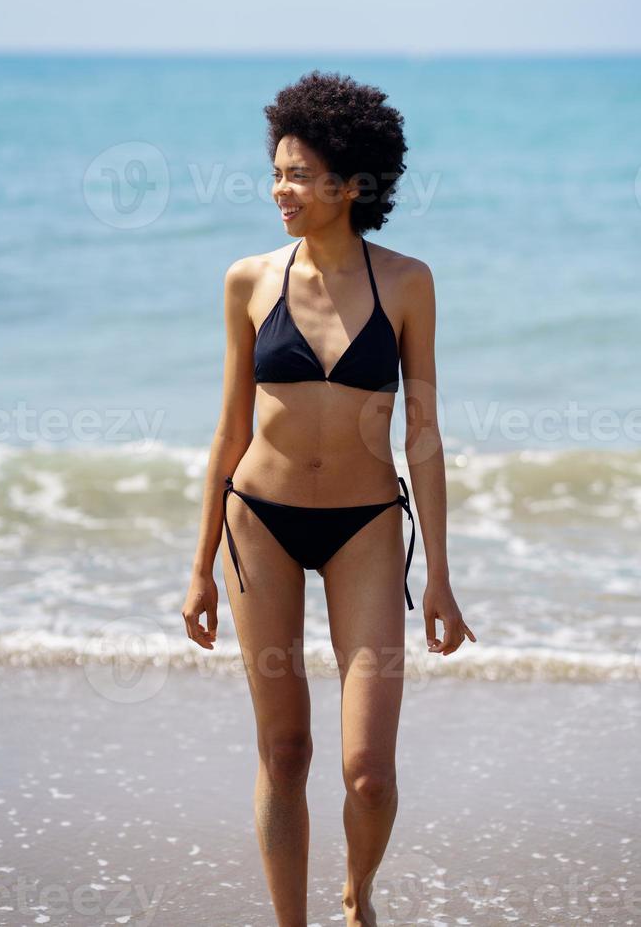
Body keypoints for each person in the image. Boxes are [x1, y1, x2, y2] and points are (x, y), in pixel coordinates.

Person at [182, 69, 476, 927]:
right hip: (259, 523)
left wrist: (445, 579)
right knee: (285, 749)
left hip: (368, 528)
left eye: (300, 174)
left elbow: (423, 434)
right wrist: (198, 566)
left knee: (367, 771)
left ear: (352, 183)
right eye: (276, 171)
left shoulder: (408, 283)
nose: (281, 189)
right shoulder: (249, 281)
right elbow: (229, 430)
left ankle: (360, 894)